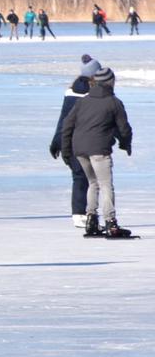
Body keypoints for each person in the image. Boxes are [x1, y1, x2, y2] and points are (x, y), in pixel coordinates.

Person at [60, 66, 134, 239]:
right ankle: (111, 223)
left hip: (80, 150)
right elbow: (124, 128)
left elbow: (67, 126)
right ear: (110, 82)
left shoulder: (83, 101)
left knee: (93, 183)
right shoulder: (113, 102)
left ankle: (91, 221)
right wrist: (126, 144)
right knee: (106, 184)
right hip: (98, 149)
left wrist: (66, 151)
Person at [50, 57, 97, 229]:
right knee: (87, 178)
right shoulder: (93, 94)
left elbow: (63, 119)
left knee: (80, 177)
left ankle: (80, 214)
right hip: (84, 141)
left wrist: (56, 141)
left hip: (68, 141)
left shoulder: (70, 91)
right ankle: (82, 214)